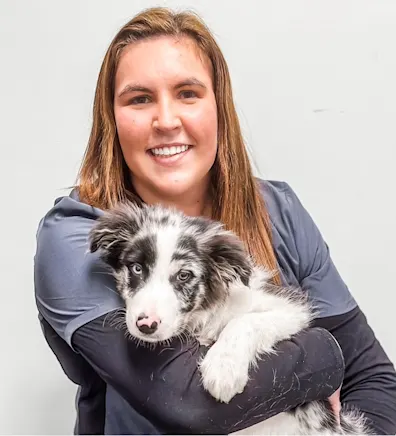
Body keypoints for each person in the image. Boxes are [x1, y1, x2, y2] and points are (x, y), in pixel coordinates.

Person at [34, 7, 396, 435]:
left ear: (218, 106)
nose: (166, 121)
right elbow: (191, 405)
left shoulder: (276, 209)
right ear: (112, 119)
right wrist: (321, 353)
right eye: (139, 98)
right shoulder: (77, 233)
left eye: (188, 93)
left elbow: (374, 380)